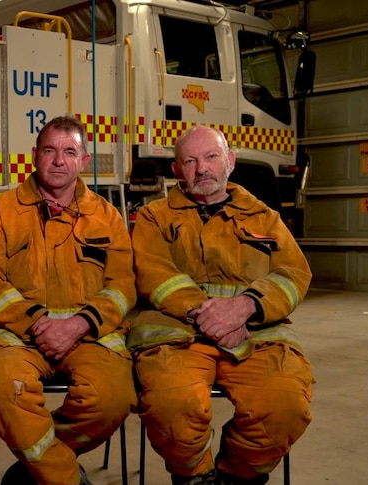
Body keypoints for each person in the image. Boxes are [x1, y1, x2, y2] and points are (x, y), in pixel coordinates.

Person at [128, 124, 314, 485]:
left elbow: (294, 274)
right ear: (177, 171)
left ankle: (234, 478)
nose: (202, 169)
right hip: (178, 336)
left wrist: (245, 308)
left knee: (285, 406)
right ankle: (193, 478)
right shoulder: (155, 217)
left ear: (229, 161)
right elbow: (151, 272)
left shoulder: (265, 218)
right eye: (191, 161)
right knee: (171, 404)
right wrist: (211, 315)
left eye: (212, 157)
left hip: (256, 336)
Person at [0, 115, 137, 485]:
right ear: (34, 156)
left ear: (84, 161)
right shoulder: (3, 211)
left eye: (69, 152)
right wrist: (37, 324)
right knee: (1, 389)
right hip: (16, 336)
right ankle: (63, 476)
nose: (59, 161)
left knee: (111, 398)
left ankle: (37, 467)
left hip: (88, 335)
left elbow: (123, 284)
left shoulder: (107, 217)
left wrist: (79, 324)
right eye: (50, 151)